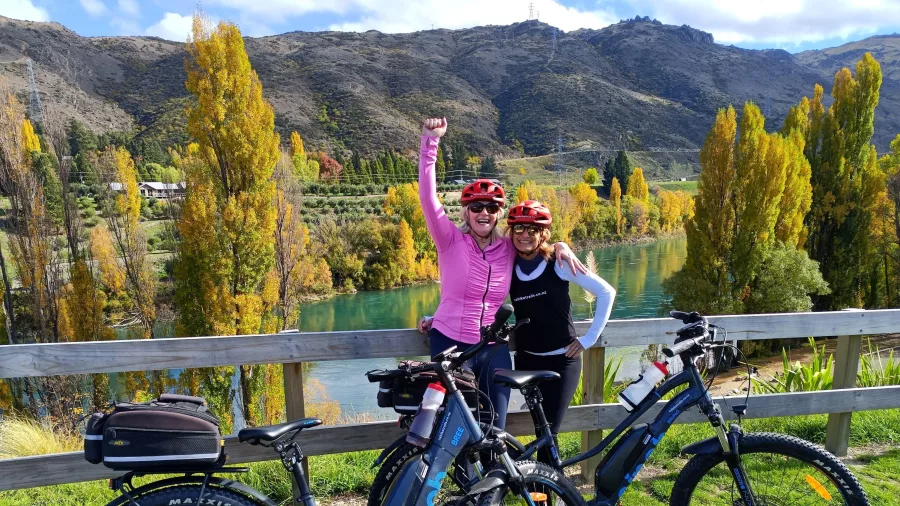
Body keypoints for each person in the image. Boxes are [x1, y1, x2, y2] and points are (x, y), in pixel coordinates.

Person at [418, 117, 583, 429]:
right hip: (450, 342)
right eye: (477, 206)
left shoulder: (508, 247)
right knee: (452, 426)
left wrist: (561, 244)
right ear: (465, 212)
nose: (484, 212)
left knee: (496, 426)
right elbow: (428, 198)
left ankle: (494, 478)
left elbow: (533, 239)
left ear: (498, 215)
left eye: (491, 208)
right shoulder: (449, 240)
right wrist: (431, 141)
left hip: (494, 348)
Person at [505, 200, 615, 443]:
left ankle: (548, 480)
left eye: (532, 230)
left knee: (549, 432)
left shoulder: (559, 263)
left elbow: (607, 292)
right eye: (518, 229)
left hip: (561, 362)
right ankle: (538, 480)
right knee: (539, 429)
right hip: (526, 360)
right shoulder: (508, 264)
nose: (525, 235)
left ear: (543, 233)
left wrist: (589, 339)